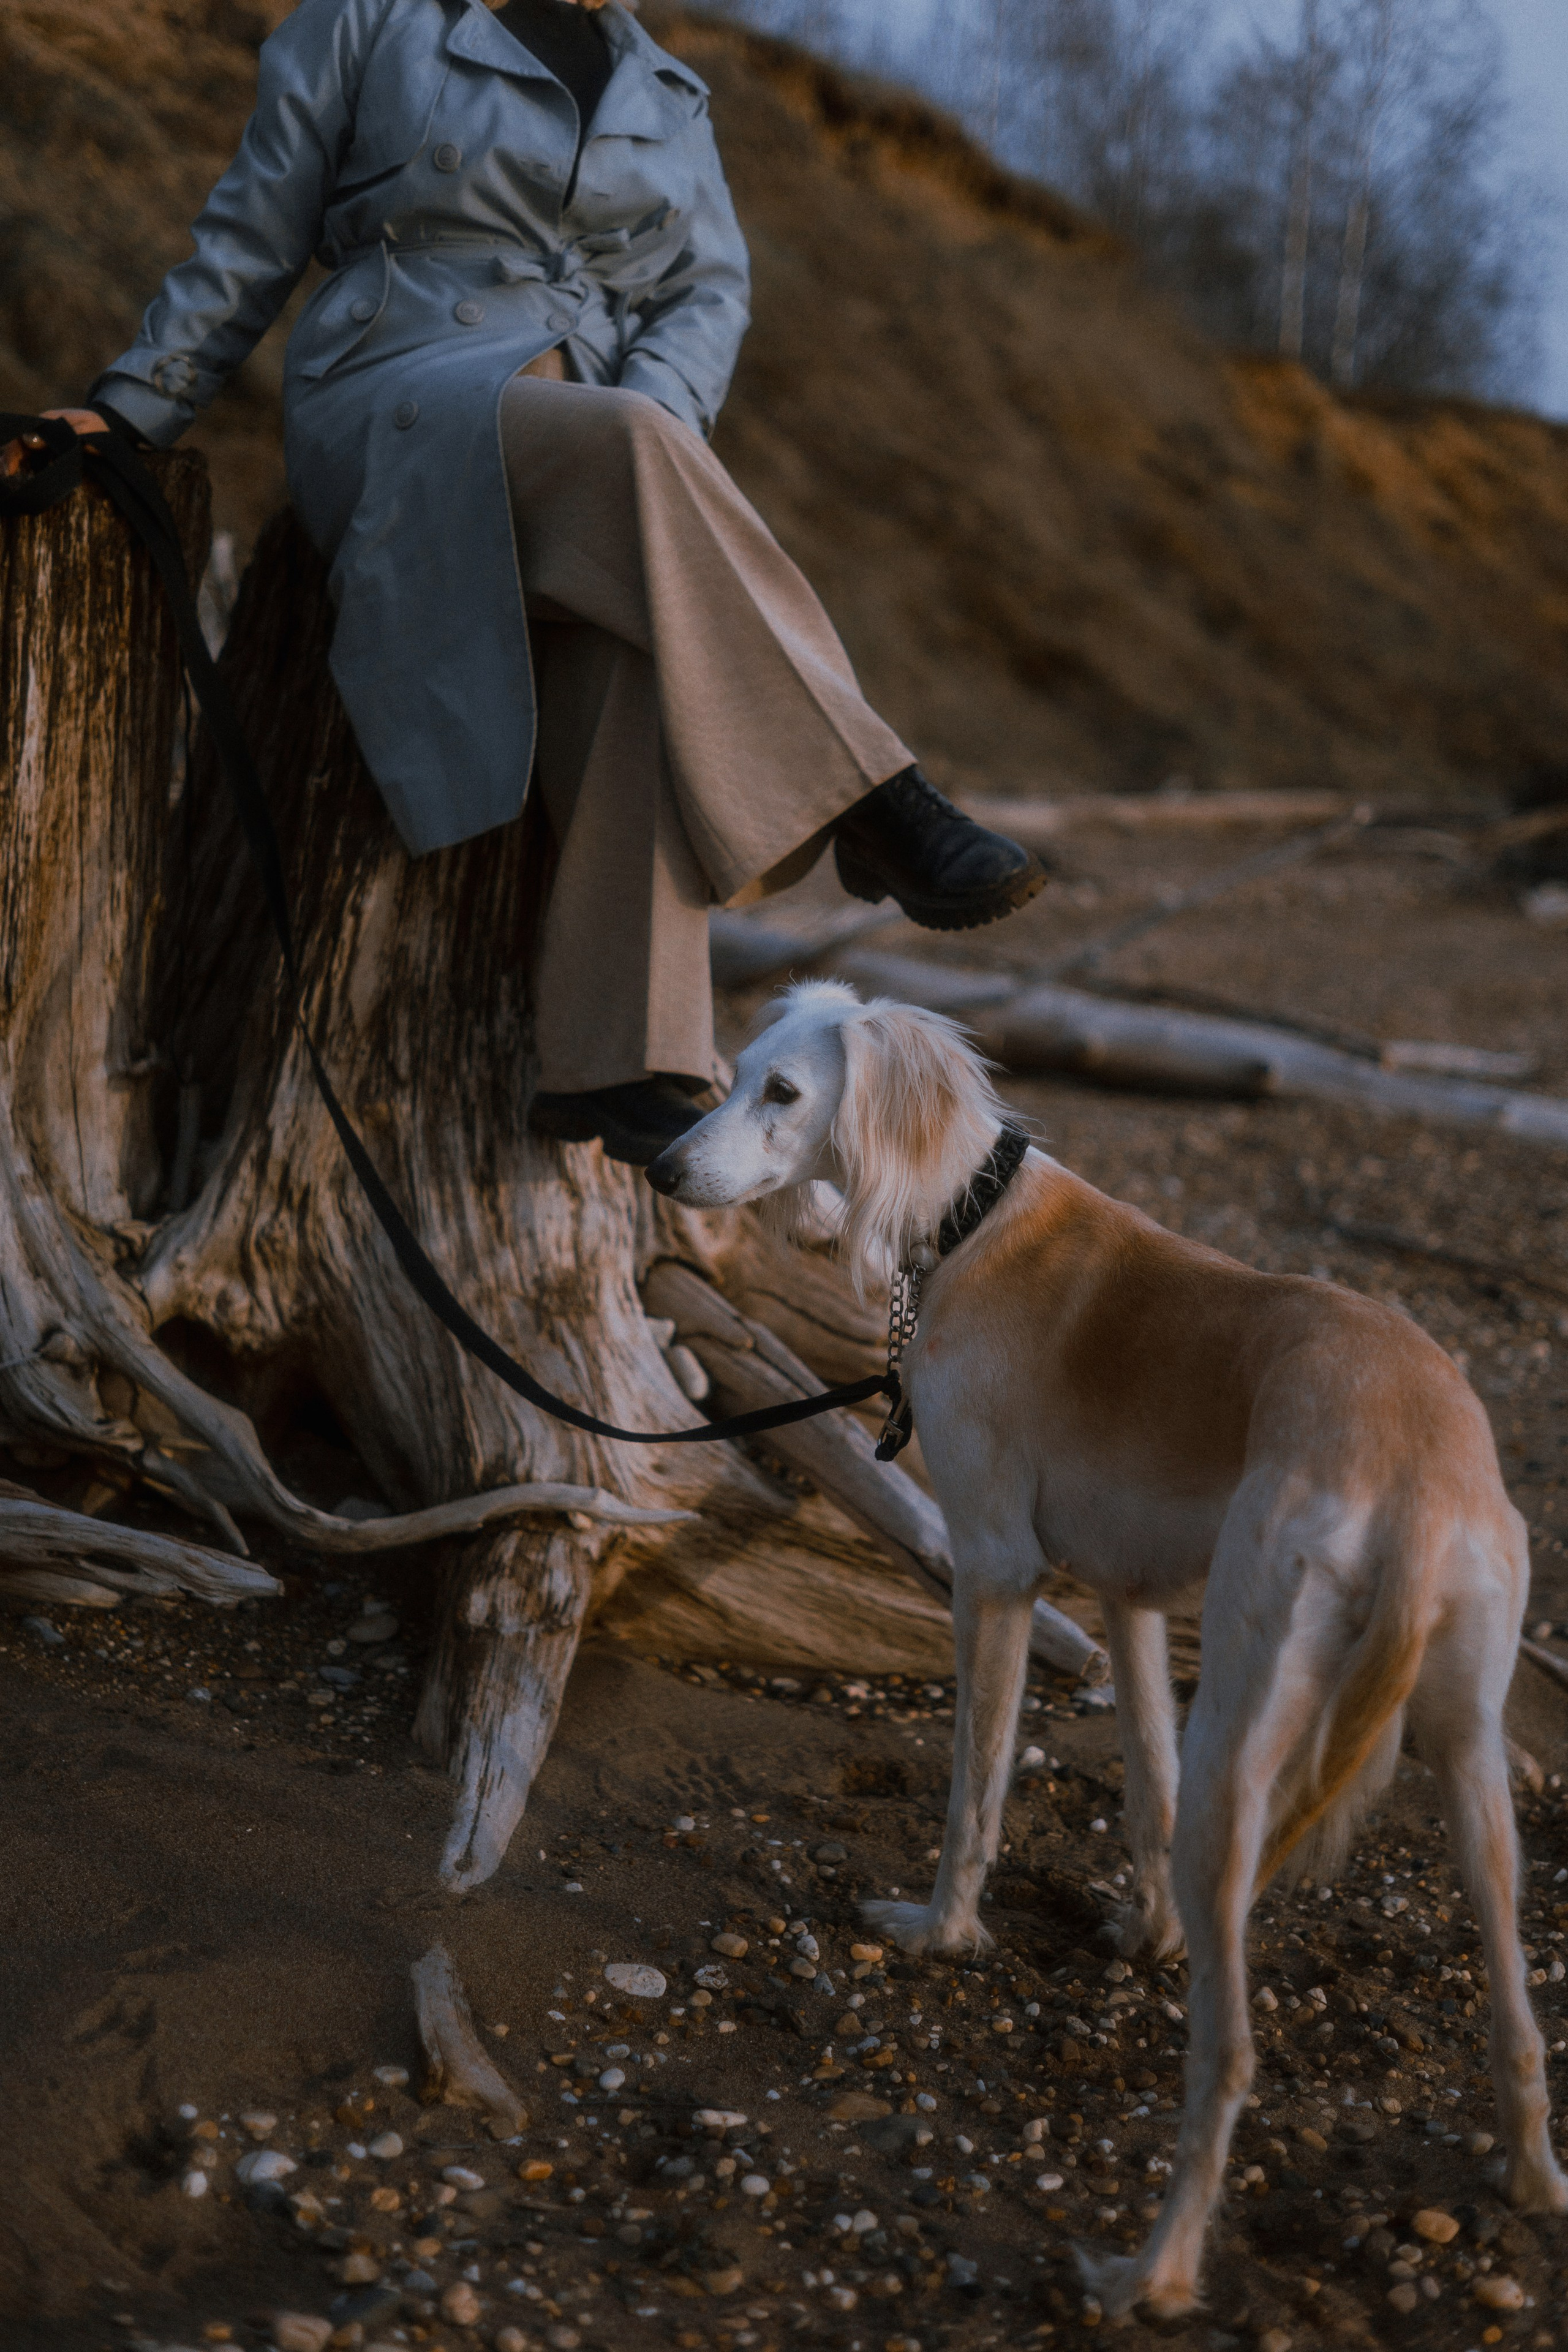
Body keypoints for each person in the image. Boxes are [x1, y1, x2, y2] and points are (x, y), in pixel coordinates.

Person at [24, 0, 1046, 1164]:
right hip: (402, 385)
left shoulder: (665, 91)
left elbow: (707, 291)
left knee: (638, 636)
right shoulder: (373, 21)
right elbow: (254, 227)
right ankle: (870, 795)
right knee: (636, 454)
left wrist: (651, 411)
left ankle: (623, 1059)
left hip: (590, 422)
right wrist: (129, 408)